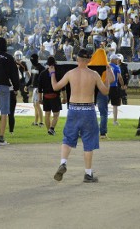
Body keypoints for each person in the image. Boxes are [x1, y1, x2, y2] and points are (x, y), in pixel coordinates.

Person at [49, 48, 111, 183]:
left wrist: (52, 73)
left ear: (77, 59)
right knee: (88, 142)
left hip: (73, 109)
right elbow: (105, 92)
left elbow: (55, 87)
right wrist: (108, 79)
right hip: (88, 110)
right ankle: (88, 174)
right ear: (89, 60)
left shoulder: (70, 73)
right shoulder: (94, 74)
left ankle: (63, 163)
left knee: (68, 138)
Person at [39, 56, 66, 136]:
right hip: (55, 96)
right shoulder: (58, 73)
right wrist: (64, 97)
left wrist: (40, 98)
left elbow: (39, 88)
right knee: (56, 114)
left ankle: (49, 130)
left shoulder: (43, 73)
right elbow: (63, 87)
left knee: (47, 114)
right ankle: (51, 128)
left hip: (46, 96)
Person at [108, 54, 125, 127]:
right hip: (114, 87)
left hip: (106, 86)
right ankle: (115, 121)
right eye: (116, 59)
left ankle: (103, 120)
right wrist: (122, 85)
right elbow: (120, 78)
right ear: (113, 59)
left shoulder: (107, 66)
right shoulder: (116, 67)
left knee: (105, 104)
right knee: (115, 105)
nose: (118, 60)